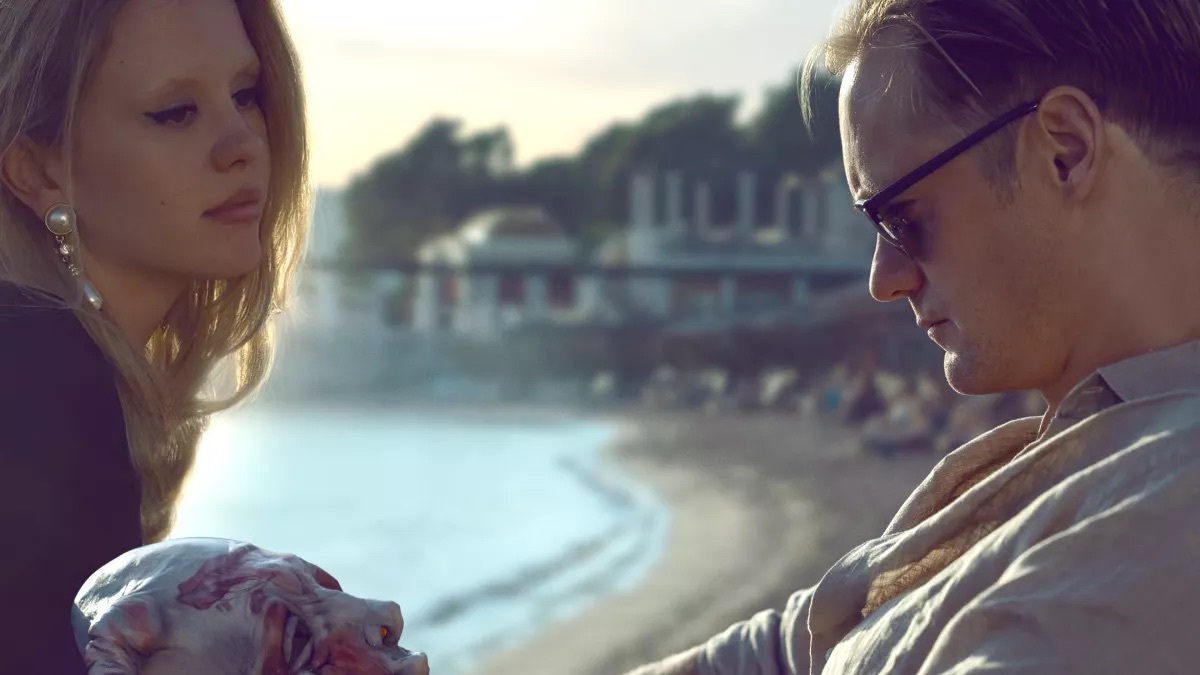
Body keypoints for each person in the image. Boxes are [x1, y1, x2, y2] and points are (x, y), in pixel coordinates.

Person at [628, 0, 1200, 673]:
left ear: (1064, 151)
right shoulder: (1093, 451)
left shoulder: (1139, 552)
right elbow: (791, 646)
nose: (884, 279)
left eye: (901, 217)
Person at [0, 0, 309, 671]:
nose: (243, 145)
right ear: (37, 169)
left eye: (245, 94)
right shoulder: (41, 375)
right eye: (175, 112)